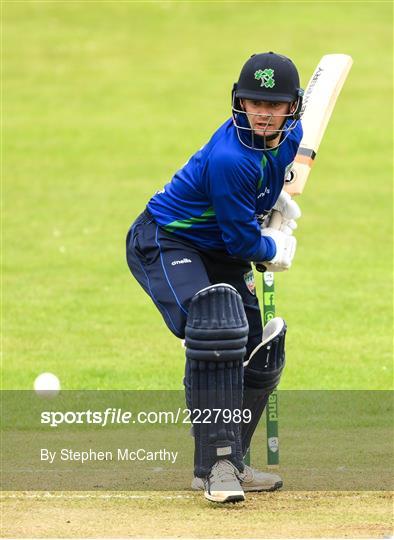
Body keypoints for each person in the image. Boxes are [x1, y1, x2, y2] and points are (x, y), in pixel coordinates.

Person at [126, 52, 303, 503]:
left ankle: (228, 463)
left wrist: (274, 201)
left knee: (258, 347)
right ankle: (218, 467)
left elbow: (270, 179)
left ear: (292, 108)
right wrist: (273, 246)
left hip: (219, 248)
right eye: (253, 103)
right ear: (239, 103)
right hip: (168, 240)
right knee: (215, 325)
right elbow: (246, 243)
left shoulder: (291, 136)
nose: (263, 113)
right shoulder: (230, 157)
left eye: (275, 104)